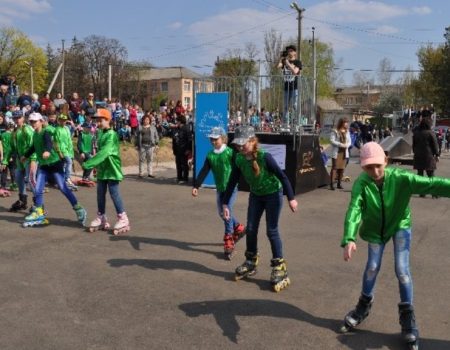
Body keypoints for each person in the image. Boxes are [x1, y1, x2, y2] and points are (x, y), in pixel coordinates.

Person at [339, 142, 450, 348]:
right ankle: (363, 306)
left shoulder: (401, 178)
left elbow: (433, 184)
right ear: (362, 167)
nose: (375, 171)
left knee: (402, 270)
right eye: (368, 167)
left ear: (386, 161)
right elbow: (354, 209)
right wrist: (349, 238)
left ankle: (407, 316)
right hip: (374, 230)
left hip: (400, 224)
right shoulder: (361, 184)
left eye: (378, 166)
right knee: (372, 267)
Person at [222, 125, 298, 292]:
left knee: (271, 230)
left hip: (273, 195)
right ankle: (251, 260)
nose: (240, 148)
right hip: (256, 195)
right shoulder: (240, 159)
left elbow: (283, 177)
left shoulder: (265, 157)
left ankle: (279, 265)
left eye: (244, 144)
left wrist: (291, 198)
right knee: (250, 228)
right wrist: (226, 203)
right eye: (238, 145)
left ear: (252, 141)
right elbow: (232, 181)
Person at [21, 113, 86, 227]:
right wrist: (25, 156)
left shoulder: (46, 132)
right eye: (31, 121)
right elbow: (34, 147)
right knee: (38, 189)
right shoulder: (35, 134)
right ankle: (39, 212)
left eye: (35, 121)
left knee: (62, 187)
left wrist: (47, 150)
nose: (33, 124)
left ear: (41, 121)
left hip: (55, 164)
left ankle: (79, 209)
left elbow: (48, 143)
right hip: (44, 166)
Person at [192, 126, 245, 259]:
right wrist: (196, 185)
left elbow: (238, 168)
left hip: (231, 188)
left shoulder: (230, 152)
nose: (213, 141)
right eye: (211, 139)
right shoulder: (210, 155)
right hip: (220, 188)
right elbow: (204, 170)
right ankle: (238, 227)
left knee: (226, 213)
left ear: (223, 138)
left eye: (216, 139)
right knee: (222, 213)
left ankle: (228, 240)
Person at [82, 108, 129, 235]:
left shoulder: (112, 135)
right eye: (96, 120)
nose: (97, 122)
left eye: (100, 120)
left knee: (114, 193)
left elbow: (105, 152)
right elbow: (98, 151)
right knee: (100, 193)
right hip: (103, 168)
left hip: (112, 168)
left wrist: (89, 164)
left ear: (108, 120)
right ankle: (101, 216)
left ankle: (123, 218)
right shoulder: (100, 133)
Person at [9, 111, 35, 212]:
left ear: (23, 118)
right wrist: (5, 161)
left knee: (31, 180)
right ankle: (22, 201)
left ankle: (38, 204)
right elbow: (11, 147)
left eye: (19, 117)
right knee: (18, 177)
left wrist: (32, 159)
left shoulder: (27, 129)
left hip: (29, 158)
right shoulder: (15, 131)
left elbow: (33, 146)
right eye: (15, 118)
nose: (17, 120)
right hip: (20, 159)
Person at [412, 118, 439, 198]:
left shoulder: (416, 133)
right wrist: (437, 154)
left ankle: (422, 192)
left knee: (420, 175)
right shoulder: (430, 133)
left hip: (418, 156)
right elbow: (435, 145)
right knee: (431, 175)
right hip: (428, 156)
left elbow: (414, 146)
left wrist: (415, 152)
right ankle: (434, 193)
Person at [277, 45, 302, 129]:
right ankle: (285, 124)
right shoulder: (285, 61)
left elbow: (295, 72)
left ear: (295, 52)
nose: (289, 52)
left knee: (295, 106)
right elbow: (278, 66)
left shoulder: (298, 62)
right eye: (288, 51)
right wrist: (281, 59)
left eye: (291, 51)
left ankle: (295, 123)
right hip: (286, 87)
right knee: (286, 106)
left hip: (294, 87)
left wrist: (288, 64)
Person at [54, 113, 77, 190]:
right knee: (69, 162)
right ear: (58, 121)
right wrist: (59, 152)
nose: (63, 122)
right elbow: (56, 141)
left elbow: (70, 137)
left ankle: (61, 181)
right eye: (61, 120)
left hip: (69, 150)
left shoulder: (67, 128)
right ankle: (67, 179)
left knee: (63, 165)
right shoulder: (57, 130)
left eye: (64, 120)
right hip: (62, 150)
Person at [329, 118, 351, 190]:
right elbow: (332, 140)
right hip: (337, 152)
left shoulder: (347, 131)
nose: (347, 124)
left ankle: (339, 183)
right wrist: (341, 144)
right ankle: (331, 184)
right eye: (345, 122)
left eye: (347, 122)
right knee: (334, 167)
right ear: (341, 123)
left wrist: (347, 145)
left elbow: (349, 141)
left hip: (344, 152)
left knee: (341, 168)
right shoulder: (335, 131)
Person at [136, 113, 159, 178]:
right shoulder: (140, 127)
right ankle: (141, 173)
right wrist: (136, 145)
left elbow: (156, 136)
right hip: (142, 145)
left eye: (147, 120)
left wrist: (157, 144)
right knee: (142, 159)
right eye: (145, 119)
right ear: (143, 120)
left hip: (150, 146)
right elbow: (136, 136)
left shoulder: (153, 127)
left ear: (149, 121)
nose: (146, 121)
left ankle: (150, 173)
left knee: (150, 159)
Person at [172, 115, 192, 184]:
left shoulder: (186, 129)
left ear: (180, 121)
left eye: (177, 121)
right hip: (177, 149)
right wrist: (174, 149)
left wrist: (189, 149)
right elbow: (174, 140)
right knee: (178, 164)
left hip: (184, 150)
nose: (176, 122)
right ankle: (179, 177)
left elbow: (189, 140)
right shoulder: (176, 129)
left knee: (184, 164)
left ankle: (185, 178)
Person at [0, 122, 16, 194]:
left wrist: (2, 155)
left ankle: (3, 186)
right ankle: (13, 184)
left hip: (4, 154)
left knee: (4, 171)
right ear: (12, 128)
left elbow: (1, 145)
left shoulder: (2, 135)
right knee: (12, 169)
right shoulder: (13, 136)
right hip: (12, 154)